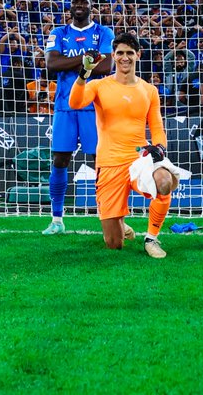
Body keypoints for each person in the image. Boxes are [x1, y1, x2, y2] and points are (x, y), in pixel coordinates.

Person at [68, 33, 172, 258]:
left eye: (130, 53)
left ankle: (151, 238)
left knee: (165, 181)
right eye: (120, 53)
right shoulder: (98, 85)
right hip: (109, 163)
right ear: (114, 56)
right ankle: (120, 224)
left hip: (139, 159)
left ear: (138, 55)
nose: (125, 58)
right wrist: (84, 73)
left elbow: (156, 126)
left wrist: (160, 147)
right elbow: (75, 102)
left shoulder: (149, 90)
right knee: (114, 245)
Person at [41, 0, 113, 235]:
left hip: (94, 106)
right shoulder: (58, 33)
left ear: (92, 6)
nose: (79, 5)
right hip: (65, 105)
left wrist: (73, 61)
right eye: (75, 2)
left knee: (100, 162)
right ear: (69, 7)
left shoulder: (104, 33)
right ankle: (57, 219)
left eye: (84, 2)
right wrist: (86, 59)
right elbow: (51, 64)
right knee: (60, 160)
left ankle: (108, 216)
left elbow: (106, 65)